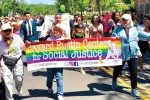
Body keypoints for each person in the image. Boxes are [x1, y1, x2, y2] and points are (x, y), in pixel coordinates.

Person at [111, 14, 150, 99]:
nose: (124, 21)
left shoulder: (135, 29)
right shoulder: (118, 29)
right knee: (118, 69)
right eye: (123, 20)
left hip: (133, 53)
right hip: (122, 53)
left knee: (133, 72)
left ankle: (134, 89)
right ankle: (114, 79)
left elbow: (145, 35)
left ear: (130, 20)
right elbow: (112, 38)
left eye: (126, 20)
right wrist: (115, 38)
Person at [0, 23, 25, 100]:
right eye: (5, 30)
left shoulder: (17, 37)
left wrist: (27, 46)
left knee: (19, 79)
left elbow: (23, 47)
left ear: (11, 30)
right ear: (2, 32)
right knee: (8, 82)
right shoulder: (0, 41)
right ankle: (9, 98)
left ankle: (19, 88)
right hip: (5, 61)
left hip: (17, 60)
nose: (7, 32)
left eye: (9, 30)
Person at [46, 14, 67, 100]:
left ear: (61, 32)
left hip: (59, 61)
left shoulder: (64, 40)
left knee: (59, 76)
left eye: (58, 30)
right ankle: (49, 87)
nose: (56, 32)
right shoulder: (49, 39)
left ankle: (60, 94)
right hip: (50, 61)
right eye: (55, 30)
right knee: (50, 77)